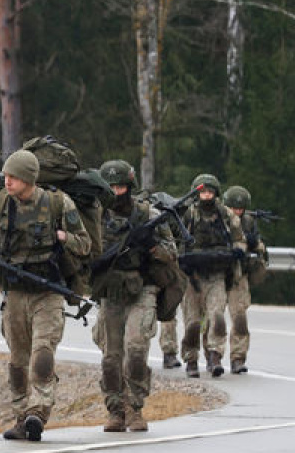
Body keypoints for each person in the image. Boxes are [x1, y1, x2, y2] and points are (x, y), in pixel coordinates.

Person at [0, 150, 92, 442]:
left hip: (48, 292)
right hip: (15, 292)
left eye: (13, 177)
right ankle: (20, 417)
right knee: (18, 362)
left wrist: (63, 238)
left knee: (42, 355)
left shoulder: (57, 203)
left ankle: (37, 413)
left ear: (28, 178)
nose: (7, 182)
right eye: (5, 176)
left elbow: (85, 244)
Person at [90, 160, 178, 433]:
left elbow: (171, 252)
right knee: (111, 357)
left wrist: (150, 245)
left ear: (130, 186)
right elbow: (84, 251)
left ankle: (135, 407)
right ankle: (115, 410)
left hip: (143, 288)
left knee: (137, 348)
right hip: (110, 291)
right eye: (111, 186)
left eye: (121, 186)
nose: (117, 192)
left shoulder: (148, 214)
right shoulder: (96, 217)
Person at [178, 174, 245, 378]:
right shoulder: (188, 215)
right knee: (192, 322)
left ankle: (214, 355)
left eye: (210, 192)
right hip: (192, 276)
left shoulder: (226, 215)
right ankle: (190, 359)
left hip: (217, 275)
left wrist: (237, 250)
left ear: (216, 193)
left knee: (217, 317)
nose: (206, 196)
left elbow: (239, 239)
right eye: (202, 192)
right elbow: (175, 241)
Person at [218, 185, 269, 374]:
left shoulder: (248, 221)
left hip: (239, 275)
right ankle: (213, 354)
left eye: (240, 209)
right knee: (215, 318)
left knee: (239, 318)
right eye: (234, 208)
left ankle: (238, 358)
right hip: (217, 274)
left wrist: (255, 243)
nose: (237, 212)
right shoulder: (217, 219)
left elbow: (260, 248)